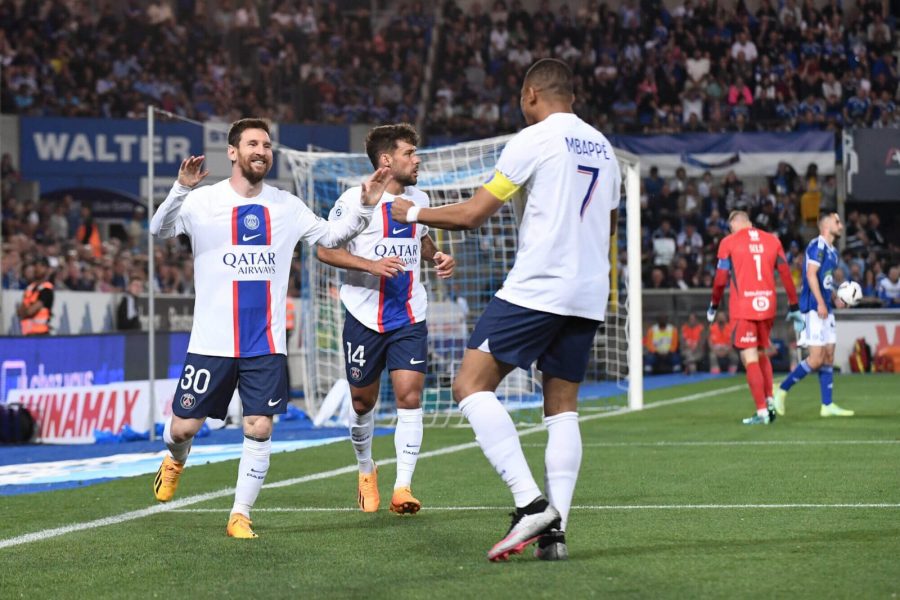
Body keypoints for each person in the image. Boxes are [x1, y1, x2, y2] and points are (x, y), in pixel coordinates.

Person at [390, 58, 620, 561]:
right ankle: (554, 535)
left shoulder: (533, 138)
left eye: (521, 97)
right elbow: (611, 223)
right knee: (562, 409)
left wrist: (413, 212)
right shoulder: (604, 148)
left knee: (469, 385)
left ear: (532, 93)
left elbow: (473, 215)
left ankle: (530, 502)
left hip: (539, 285)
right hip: (587, 291)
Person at [149, 118, 390, 539]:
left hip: (266, 342)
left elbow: (332, 236)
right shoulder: (203, 201)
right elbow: (159, 230)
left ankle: (240, 514)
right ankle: (175, 459)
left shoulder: (287, 206)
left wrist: (365, 206)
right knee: (183, 428)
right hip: (212, 342)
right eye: (253, 144)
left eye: (267, 145)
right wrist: (180, 188)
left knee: (258, 427)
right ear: (233, 152)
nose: (262, 151)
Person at [315, 124, 456, 515]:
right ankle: (366, 469)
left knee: (410, 396)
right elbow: (326, 251)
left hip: (409, 312)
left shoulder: (419, 199)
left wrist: (436, 256)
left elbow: (421, 237)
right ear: (386, 160)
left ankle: (403, 487)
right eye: (410, 152)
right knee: (362, 402)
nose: (417, 159)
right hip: (363, 314)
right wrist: (371, 265)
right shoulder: (353, 200)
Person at [708, 210, 803, 425]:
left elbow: (721, 278)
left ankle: (762, 412)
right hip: (767, 305)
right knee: (761, 352)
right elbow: (786, 273)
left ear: (732, 226)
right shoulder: (772, 240)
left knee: (749, 357)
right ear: (749, 223)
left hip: (744, 307)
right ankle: (769, 401)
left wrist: (714, 304)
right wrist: (794, 304)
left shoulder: (728, 242)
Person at [774, 212, 855, 418]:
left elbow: (825, 282)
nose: (841, 225)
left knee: (828, 356)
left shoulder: (833, 252)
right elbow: (810, 274)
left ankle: (827, 405)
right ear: (825, 225)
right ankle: (781, 389)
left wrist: (836, 297)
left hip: (826, 308)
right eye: (837, 221)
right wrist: (820, 302)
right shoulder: (816, 246)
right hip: (813, 308)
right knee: (816, 359)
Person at [17, 257, 54, 336]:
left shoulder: (46, 290)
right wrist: (25, 311)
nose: (37, 268)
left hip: (41, 334)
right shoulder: (30, 288)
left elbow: (29, 311)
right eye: (36, 266)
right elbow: (20, 312)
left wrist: (25, 311)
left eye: (41, 266)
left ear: (47, 270)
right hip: (27, 334)